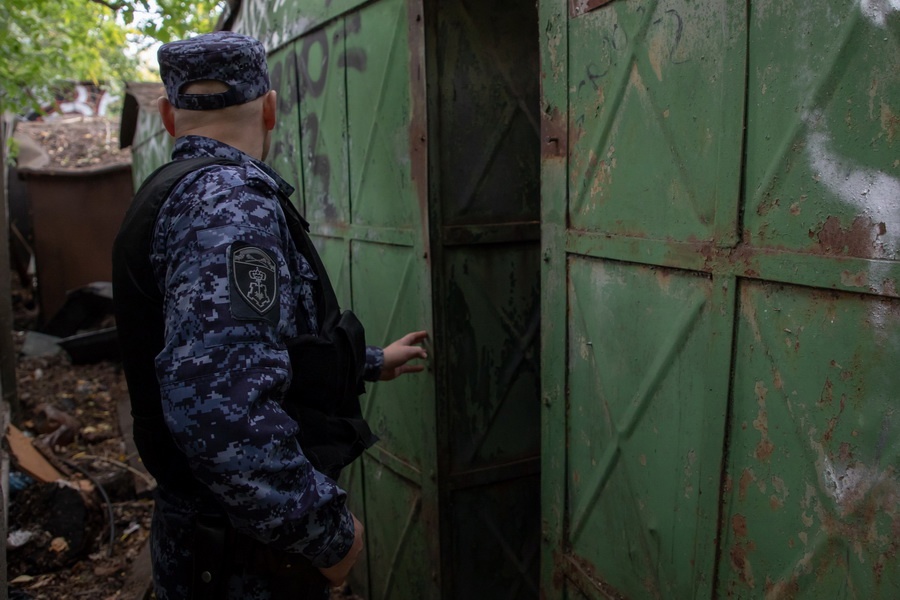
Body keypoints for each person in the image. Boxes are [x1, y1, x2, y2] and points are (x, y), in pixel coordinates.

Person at [111, 31, 428, 600]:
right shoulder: (228, 207)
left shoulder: (179, 195)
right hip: (241, 559)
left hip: (209, 540)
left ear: (165, 115)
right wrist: (330, 535)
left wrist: (374, 362)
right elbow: (223, 415)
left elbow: (243, 351)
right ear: (272, 108)